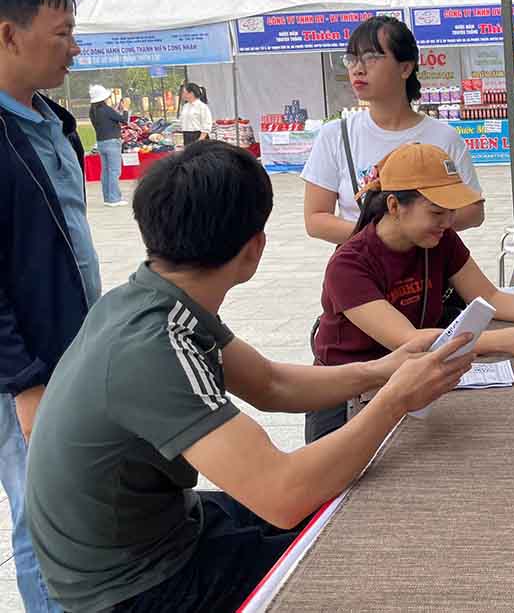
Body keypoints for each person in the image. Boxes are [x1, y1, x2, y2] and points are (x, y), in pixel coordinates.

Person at [25, 141, 477, 613]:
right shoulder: (153, 347)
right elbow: (281, 494)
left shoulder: (148, 298)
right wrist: (394, 400)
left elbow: (270, 384)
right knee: (365, 559)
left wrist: (383, 369)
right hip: (134, 586)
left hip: (159, 531)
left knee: (345, 511)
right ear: (255, 247)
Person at [306, 143, 514, 442]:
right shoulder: (349, 265)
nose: (448, 222)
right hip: (347, 396)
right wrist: (501, 340)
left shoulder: (439, 240)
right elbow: (408, 340)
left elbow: (488, 296)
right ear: (394, 206)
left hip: (409, 382)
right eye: (437, 212)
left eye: (451, 212)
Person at [0, 0, 97, 613]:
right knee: (40, 513)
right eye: (61, 34)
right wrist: (24, 382)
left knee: (77, 505)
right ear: (9, 36)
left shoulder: (54, 122)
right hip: (21, 370)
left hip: (72, 348)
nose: (74, 49)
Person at [303, 17, 483, 244]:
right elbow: (316, 219)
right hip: (361, 262)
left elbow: (474, 211)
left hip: (426, 262)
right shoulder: (336, 135)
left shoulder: (443, 137)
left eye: (371, 57)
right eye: (352, 59)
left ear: (405, 67)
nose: (358, 69)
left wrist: (418, 226)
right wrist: (382, 237)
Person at [88, 83, 129, 206]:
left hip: (101, 142)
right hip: (112, 142)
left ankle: (108, 198)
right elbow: (124, 120)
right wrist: (125, 109)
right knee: (114, 171)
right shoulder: (106, 109)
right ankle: (114, 199)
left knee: (106, 171)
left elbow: (110, 119)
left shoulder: (93, 111)